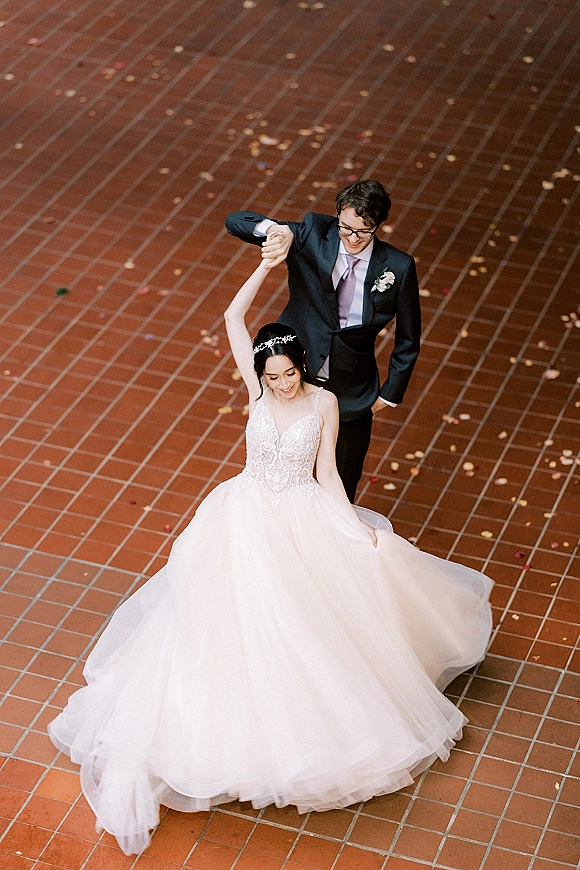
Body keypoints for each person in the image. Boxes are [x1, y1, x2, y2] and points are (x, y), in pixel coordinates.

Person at [48, 256, 492, 857]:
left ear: (301, 367)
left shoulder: (324, 403)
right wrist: (264, 266)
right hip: (244, 513)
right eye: (273, 377)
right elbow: (232, 316)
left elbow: (330, 475)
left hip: (301, 513)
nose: (281, 385)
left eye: (288, 375)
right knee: (221, 620)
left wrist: (350, 528)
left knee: (304, 621)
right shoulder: (255, 389)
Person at [225, 179, 421, 501]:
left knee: (342, 485)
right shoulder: (311, 235)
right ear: (337, 217)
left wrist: (389, 394)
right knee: (284, 473)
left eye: (363, 231)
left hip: (352, 390)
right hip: (294, 375)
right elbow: (236, 221)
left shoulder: (398, 267)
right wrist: (276, 230)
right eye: (346, 228)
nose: (353, 238)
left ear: (378, 226)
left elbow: (408, 337)